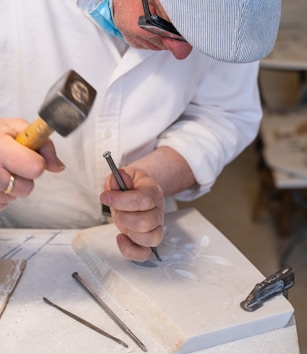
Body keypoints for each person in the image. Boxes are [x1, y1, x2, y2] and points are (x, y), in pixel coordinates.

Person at [0, 0, 281, 261]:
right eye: (164, 20)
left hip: (147, 228)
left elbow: (225, 113)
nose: (181, 53)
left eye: (200, 43)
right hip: (17, 227)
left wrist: (154, 177)